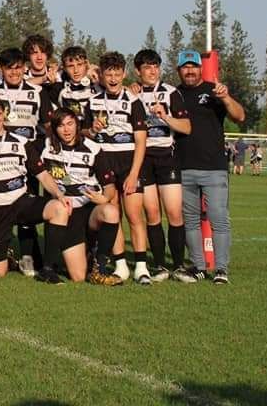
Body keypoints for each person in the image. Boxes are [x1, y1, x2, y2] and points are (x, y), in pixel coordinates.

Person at [0, 97, 71, 284]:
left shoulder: (22, 142)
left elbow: (43, 175)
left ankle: (47, 269)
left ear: (4, 114)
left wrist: (59, 194)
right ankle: (6, 255)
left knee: (59, 209)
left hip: (20, 200)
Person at [173, 50, 245, 285]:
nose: (190, 71)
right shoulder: (174, 94)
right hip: (184, 168)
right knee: (190, 221)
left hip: (214, 168)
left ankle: (221, 268)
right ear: (179, 70)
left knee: (219, 218)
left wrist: (225, 98)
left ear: (201, 69)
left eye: (194, 66)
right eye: (185, 67)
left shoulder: (213, 91)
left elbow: (239, 116)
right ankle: (199, 266)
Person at [83, 52, 150, 284]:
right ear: (101, 75)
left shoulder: (133, 101)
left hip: (129, 162)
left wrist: (134, 173)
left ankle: (141, 267)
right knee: (114, 215)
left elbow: (141, 140)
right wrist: (91, 129)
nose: (112, 78)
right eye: (108, 73)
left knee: (134, 214)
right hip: (104, 162)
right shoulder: (92, 101)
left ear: (124, 74)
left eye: (117, 73)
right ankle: (121, 265)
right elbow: (84, 133)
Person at [37, 107, 122, 285]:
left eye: (70, 124)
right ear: (54, 128)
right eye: (61, 126)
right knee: (78, 277)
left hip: (89, 209)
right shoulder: (45, 146)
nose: (66, 130)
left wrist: (105, 198)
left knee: (111, 211)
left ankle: (101, 268)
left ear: (77, 125)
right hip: (66, 214)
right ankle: (86, 254)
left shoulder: (93, 148)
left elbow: (109, 186)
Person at [131, 49, 191, 282]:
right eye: (147, 67)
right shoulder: (132, 94)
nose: (152, 71)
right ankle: (159, 267)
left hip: (167, 157)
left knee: (175, 213)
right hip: (143, 158)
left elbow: (186, 127)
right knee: (152, 213)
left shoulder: (170, 92)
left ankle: (177, 266)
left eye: (155, 66)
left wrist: (165, 117)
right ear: (138, 71)